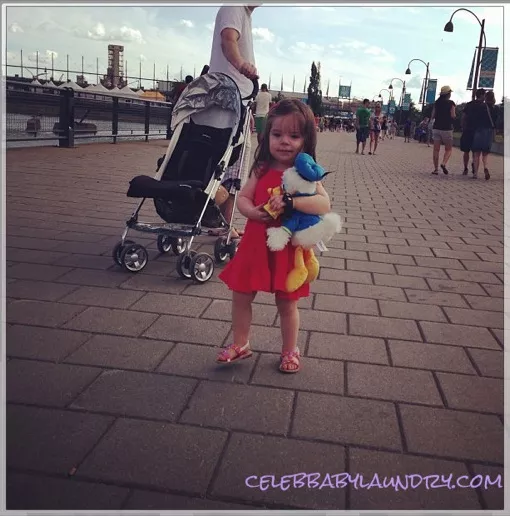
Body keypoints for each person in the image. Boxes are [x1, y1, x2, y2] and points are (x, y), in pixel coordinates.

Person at [216, 99, 332, 373]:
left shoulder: (305, 174)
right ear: (267, 136)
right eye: (277, 134)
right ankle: (241, 343)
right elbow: (243, 197)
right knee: (241, 294)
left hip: (287, 247)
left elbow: (324, 204)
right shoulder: (262, 168)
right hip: (255, 244)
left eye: (294, 136)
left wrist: (292, 202)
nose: (284, 142)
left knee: (287, 302)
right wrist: (252, 213)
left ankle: (290, 350)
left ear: (306, 140)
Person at [207, 5, 259, 239]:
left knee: (230, 163)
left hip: (237, 102)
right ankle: (224, 224)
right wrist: (242, 66)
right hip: (230, 101)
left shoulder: (242, 11)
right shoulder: (235, 6)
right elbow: (228, 39)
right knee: (233, 163)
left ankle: (221, 221)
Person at [471, 89, 497, 180]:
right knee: (485, 154)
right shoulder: (495, 108)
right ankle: (485, 167)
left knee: (476, 153)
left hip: (479, 130)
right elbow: (496, 122)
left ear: (485, 97)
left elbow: (475, 119)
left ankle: (475, 173)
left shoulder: (480, 107)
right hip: (489, 131)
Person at [430, 85, 456, 175]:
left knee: (436, 150)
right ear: (448, 94)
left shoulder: (436, 103)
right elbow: (453, 115)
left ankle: (436, 169)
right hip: (447, 128)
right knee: (448, 149)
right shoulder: (451, 103)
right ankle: (443, 163)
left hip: (436, 127)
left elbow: (433, 115)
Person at [460, 88, 485, 176]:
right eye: (484, 95)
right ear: (481, 95)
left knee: (466, 151)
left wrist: (462, 126)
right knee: (476, 151)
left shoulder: (469, 104)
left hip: (467, 129)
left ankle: (465, 168)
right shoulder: (484, 106)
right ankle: (474, 167)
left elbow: (463, 116)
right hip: (478, 131)